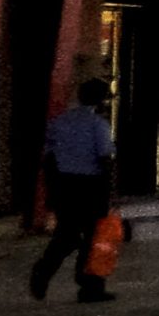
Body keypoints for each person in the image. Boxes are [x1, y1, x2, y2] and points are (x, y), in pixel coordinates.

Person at [32, 78, 117, 303]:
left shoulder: (60, 122)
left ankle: (43, 270)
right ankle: (90, 287)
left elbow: (48, 158)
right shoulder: (98, 125)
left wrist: (52, 189)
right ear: (101, 100)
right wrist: (110, 192)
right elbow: (105, 158)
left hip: (64, 185)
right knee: (93, 238)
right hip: (90, 186)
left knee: (66, 234)